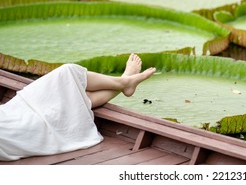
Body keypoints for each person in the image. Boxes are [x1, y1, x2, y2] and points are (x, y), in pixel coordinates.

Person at [0, 54, 156, 161]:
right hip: (12, 131)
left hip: (9, 115)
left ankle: (125, 82)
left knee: (70, 83)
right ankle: (124, 82)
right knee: (68, 73)